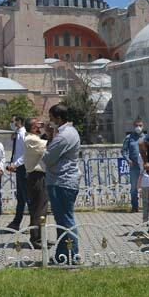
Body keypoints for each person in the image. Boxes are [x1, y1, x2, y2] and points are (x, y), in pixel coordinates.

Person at [42, 104, 81, 264]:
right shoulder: (66, 133)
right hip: (62, 180)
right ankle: (62, 255)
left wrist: (41, 148)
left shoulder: (64, 136)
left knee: (65, 220)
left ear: (58, 118)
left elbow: (48, 157)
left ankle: (72, 255)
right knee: (63, 220)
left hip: (62, 181)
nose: (50, 122)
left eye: (51, 118)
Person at [23, 118, 48, 248]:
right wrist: (47, 130)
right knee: (39, 208)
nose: (40, 126)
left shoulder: (34, 138)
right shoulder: (31, 139)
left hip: (38, 175)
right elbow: (48, 146)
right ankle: (36, 239)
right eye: (37, 125)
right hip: (36, 176)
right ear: (32, 128)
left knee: (40, 208)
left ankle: (40, 236)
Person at [5, 116, 29, 231]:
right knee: (20, 197)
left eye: (13, 121)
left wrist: (16, 164)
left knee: (26, 196)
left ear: (19, 122)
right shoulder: (16, 134)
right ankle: (16, 222)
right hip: (18, 168)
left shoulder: (24, 135)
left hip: (23, 167)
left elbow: (26, 153)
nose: (12, 123)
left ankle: (34, 224)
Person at [122, 119, 144, 213]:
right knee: (134, 187)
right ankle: (135, 206)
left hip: (144, 167)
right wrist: (128, 160)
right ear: (133, 126)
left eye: (140, 125)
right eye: (136, 125)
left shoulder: (146, 137)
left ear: (143, 126)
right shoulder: (129, 137)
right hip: (134, 166)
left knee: (147, 187)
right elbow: (124, 150)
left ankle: (148, 206)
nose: (138, 127)